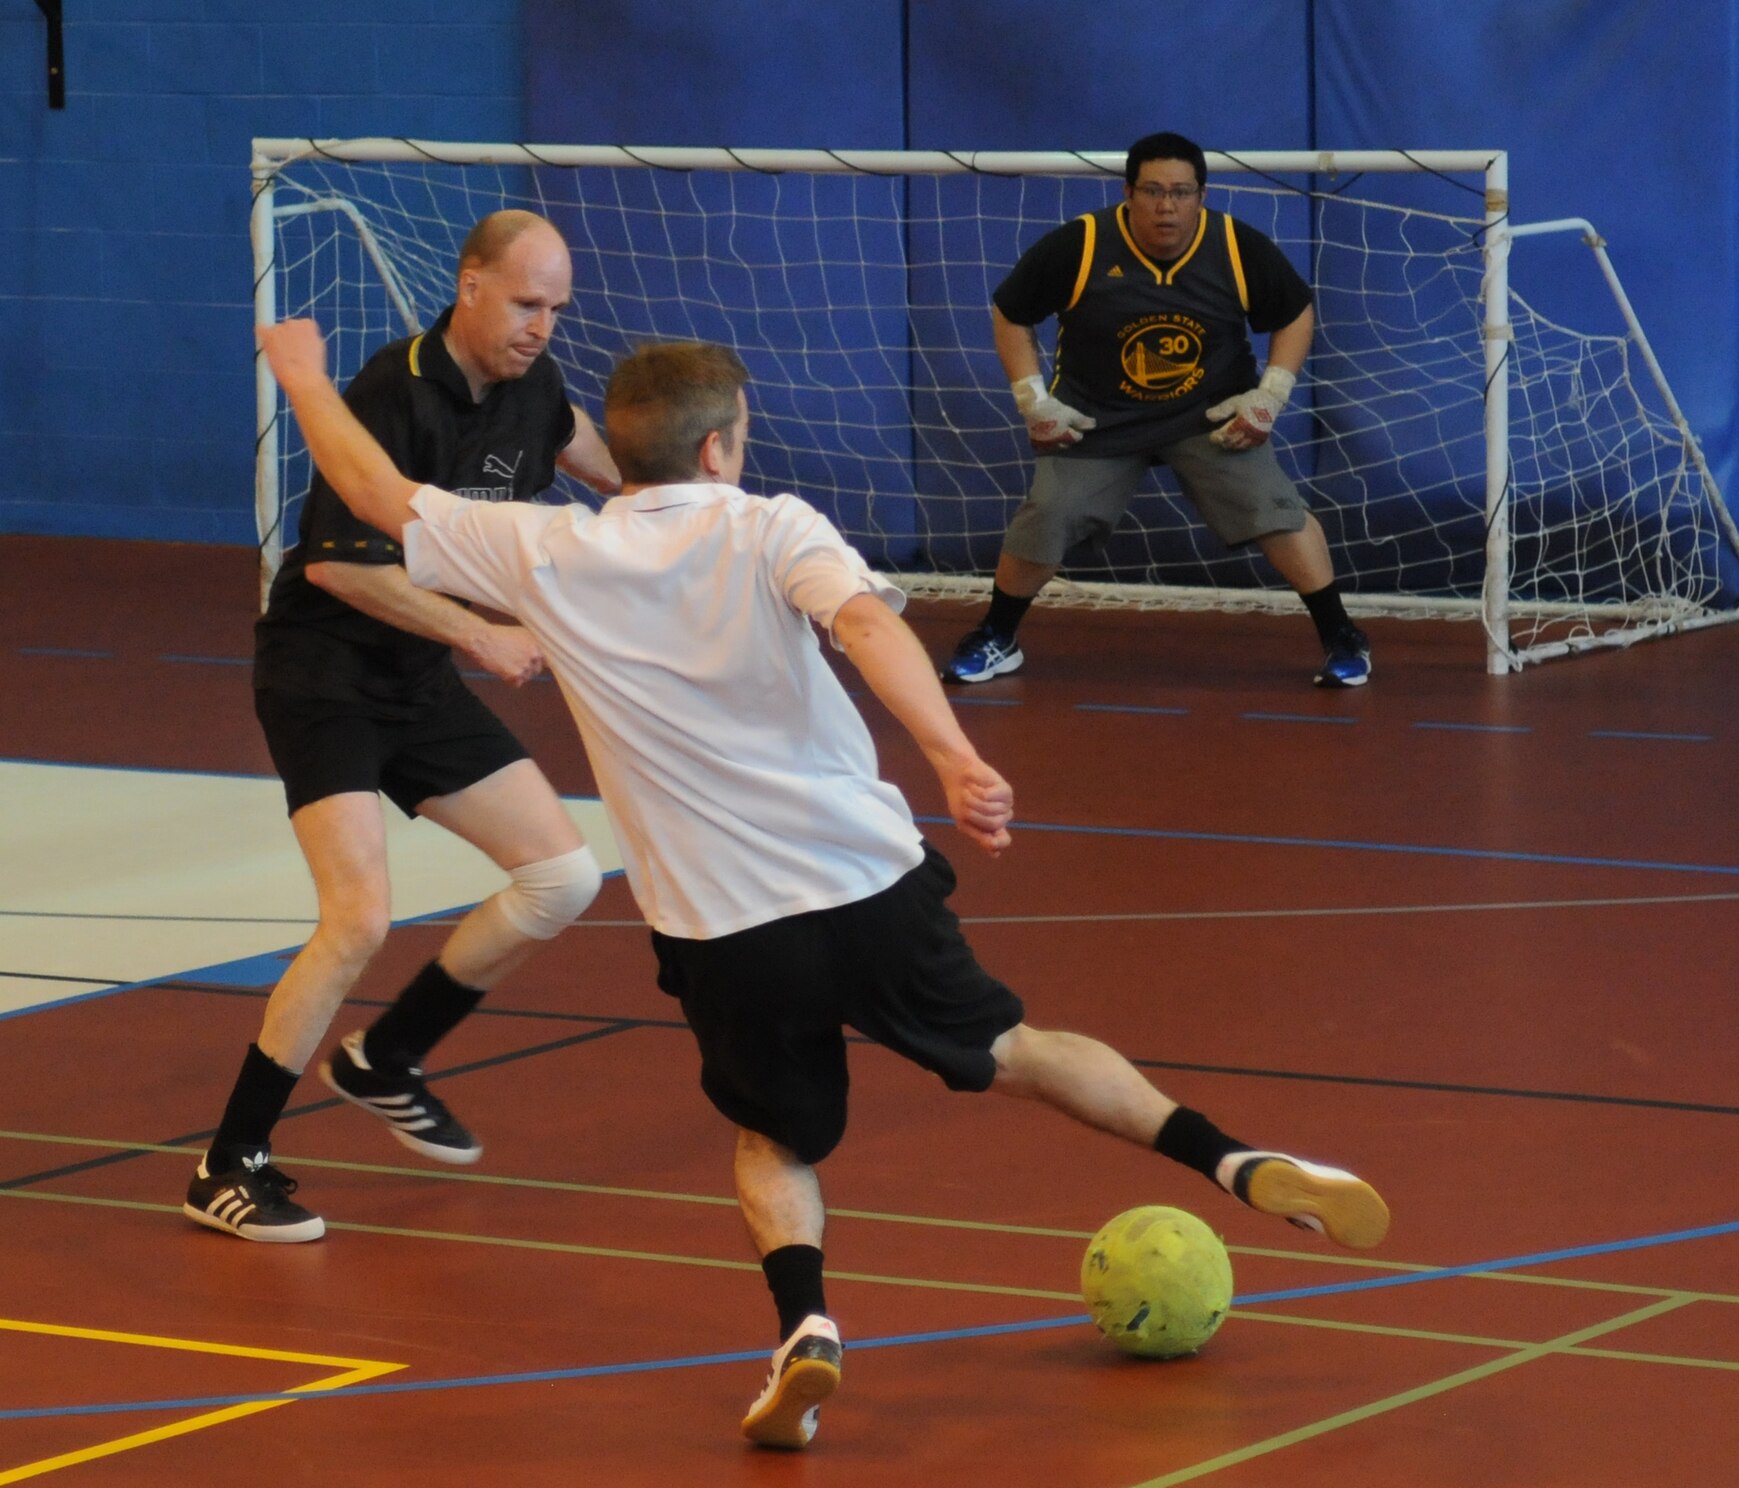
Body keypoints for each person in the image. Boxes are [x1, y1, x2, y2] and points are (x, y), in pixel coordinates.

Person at [256, 318, 1392, 1450]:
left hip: (720, 926)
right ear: (719, 450)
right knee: (1017, 1051)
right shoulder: (771, 527)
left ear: (626, 450)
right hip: (864, 881)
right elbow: (859, 623)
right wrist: (951, 753)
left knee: (775, 1139)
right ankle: (1231, 1159)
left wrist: (304, 374)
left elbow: (369, 487)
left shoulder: (542, 547)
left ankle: (804, 1325)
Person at [183, 212, 620, 1245]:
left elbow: (598, 460)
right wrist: (480, 634)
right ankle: (226, 1162)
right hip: (324, 674)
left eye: (557, 309)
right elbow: (339, 566)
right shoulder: (389, 391)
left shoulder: (536, 387)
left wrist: (690, 500)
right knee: (358, 921)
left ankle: (387, 1056)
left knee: (563, 876)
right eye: (525, 303)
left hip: (415, 679)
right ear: (469, 285)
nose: (541, 326)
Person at [941, 131, 1371, 690]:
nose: (1166, 205)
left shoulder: (1237, 246)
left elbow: (1294, 312)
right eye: (1152, 191)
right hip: (1098, 419)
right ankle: (997, 635)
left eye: (1181, 192)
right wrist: (1034, 400)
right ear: (1128, 193)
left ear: (1201, 196)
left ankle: (1342, 635)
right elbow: (1009, 312)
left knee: (1274, 509)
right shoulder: (1083, 243)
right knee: (1049, 512)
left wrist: (1270, 395)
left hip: (1208, 417)